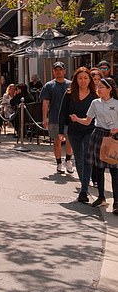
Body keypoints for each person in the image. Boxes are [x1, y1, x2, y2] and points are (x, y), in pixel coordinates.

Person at [72, 77, 118, 213]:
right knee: (99, 168)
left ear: (110, 89)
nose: (99, 89)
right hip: (98, 134)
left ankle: (116, 202)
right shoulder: (95, 103)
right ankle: (101, 197)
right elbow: (88, 121)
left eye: (102, 87)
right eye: (98, 87)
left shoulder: (116, 103)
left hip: (114, 136)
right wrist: (76, 119)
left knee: (115, 170)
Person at [59, 67, 97, 203]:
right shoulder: (69, 93)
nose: (83, 81)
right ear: (76, 79)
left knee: (87, 158)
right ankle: (84, 185)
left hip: (90, 130)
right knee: (79, 159)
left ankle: (84, 191)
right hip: (74, 131)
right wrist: (60, 131)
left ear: (90, 80)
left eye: (86, 78)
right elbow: (62, 112)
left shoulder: (94, 95)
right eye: (80, 78)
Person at [40, 61, 73, 174]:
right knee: (57, 140)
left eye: (60, 69)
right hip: (54, 117)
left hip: (69, 118)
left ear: (64, 71)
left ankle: (68, 160)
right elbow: (45, 103)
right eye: (56, 70)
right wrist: (45, 118)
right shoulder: (49, 85)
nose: (58, 72)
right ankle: (59, 163)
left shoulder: (71, 84)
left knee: (70, 139)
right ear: (53, 72)